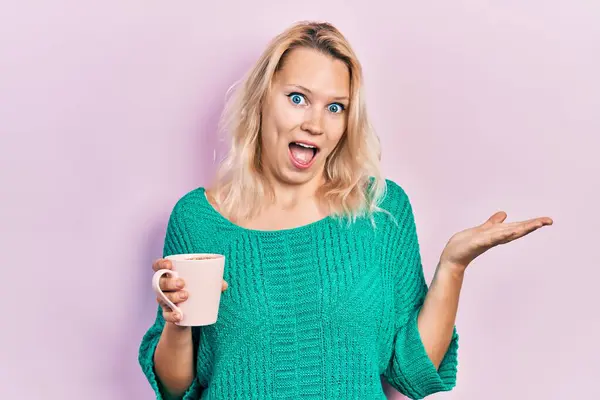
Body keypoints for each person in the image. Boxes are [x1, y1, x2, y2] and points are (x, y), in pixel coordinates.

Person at [138, 21, 553, 399]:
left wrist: (453, 266)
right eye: (298, 98)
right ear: (262, 101)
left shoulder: (380, 211)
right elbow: (176, 390)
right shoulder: (197, 220)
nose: (315, 124)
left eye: (335, 107)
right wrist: (178, 320)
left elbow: (409, 373)